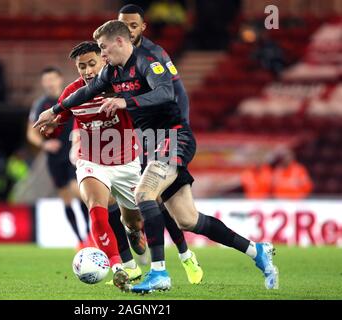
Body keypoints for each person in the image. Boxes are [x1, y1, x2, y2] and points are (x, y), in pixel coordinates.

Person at [33, 20, 279, 293]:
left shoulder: (148, 61)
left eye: (103, 49)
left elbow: (165, 92)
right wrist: (54, 110)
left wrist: (126, 102)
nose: (101, 55)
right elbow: (87, 91)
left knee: (144, 194)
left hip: (173, 137)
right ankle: (256, 251)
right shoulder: (113, 72)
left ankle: (159, 273)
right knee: (188, 219)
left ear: (119, 42)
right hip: (152, 145)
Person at [38, 42, 148, 290]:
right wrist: (52, 126)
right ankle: (119, 268)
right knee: (96, 207)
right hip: (92, 161)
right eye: (81, 66)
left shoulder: (121, 86)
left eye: (91, 64)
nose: (87, 71)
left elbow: (146, 108)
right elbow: (61, 116)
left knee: (134, 221)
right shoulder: (72, 92)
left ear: (104, 61)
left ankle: (133, 230)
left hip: (126, 162)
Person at [118, 4, 202, 285]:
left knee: (157, 199)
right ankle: (139, 249)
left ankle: (184, 257)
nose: (127, 30)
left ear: (142, 27)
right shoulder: (115, 58)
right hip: (137, 137)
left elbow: (177, 93)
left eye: (132, 25)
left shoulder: (154, 55)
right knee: (148, 201)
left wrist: (181, 129)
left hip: (164, 135)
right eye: (122, 25)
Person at [27, 67, 92, 250]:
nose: (50, 83)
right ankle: (81, 239)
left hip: (74, 153)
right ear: (43, 82)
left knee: (77, 191)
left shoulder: (71, 97)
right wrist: (44, 144)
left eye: (53, 79)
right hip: (54, 157)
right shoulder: (40, 105)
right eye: (46, 79)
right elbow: (31, 133)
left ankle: (89, 234)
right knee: (66, 197)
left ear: (60, 79)